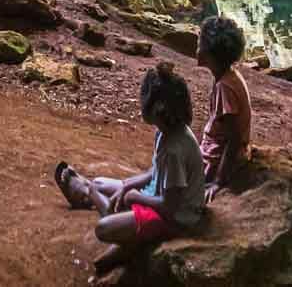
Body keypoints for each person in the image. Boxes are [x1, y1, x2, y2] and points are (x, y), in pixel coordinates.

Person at [55, 63, 206, 273]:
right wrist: (127, 185)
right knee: (99, 182)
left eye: (145, 96)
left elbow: (170, 206)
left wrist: (136, 197)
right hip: (160, 197)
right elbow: (155, 172)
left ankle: (122, 231)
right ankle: (103, 205)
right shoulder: (167, 131)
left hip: (175, 219)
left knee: (104, 228)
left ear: (158, 108)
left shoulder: (174, 149)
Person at [196, 16, 252, 201]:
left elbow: (233, 138)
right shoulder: (229, 76)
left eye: (200, 45)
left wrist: (218, 181)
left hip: (215, 160)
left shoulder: (224, 87)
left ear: (211, 55)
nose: (197, 49)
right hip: (214, 150)